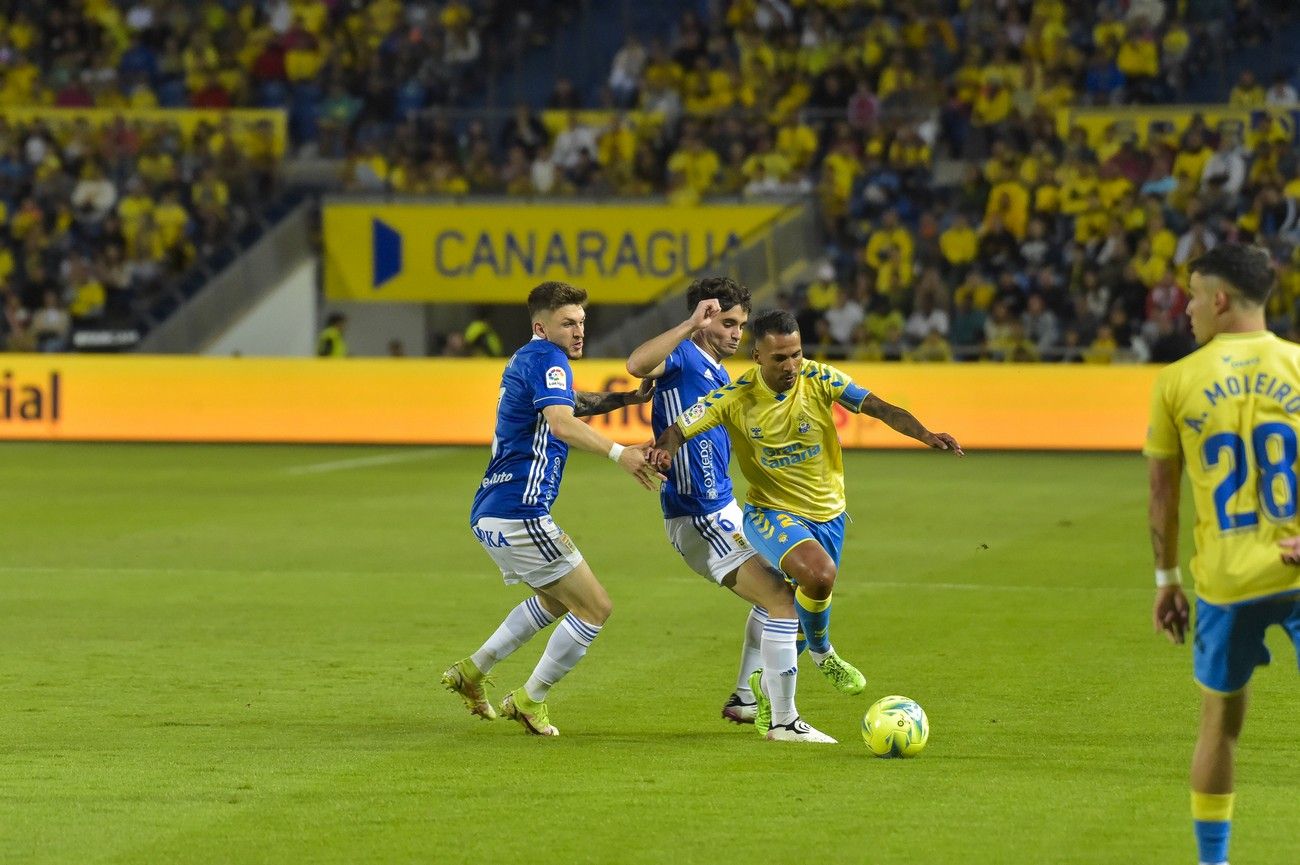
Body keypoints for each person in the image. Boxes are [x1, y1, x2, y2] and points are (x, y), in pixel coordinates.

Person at [649, 310, 962, 736]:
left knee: (801, 601)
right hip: (769, 513)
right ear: (757, 355)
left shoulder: (819, 378)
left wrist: (926, 434)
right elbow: (678, 429)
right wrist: (663, 451)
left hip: (830, 514)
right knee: (818, 574)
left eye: (796, 354)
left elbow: (879, 407)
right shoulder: (734, 397)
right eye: (779, 358)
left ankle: (762, 687)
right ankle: (821, 658)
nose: (790, 366)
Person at [443, 281, 664, 737]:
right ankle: (530, 699)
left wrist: (627, 398)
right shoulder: (548, 357)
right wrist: (622, 454)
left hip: (492, 508)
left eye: (582, 322)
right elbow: (562, 422)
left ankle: (472, 671)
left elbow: (574, 404)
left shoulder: (529, 357)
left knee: (554, 600)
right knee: (595, 608)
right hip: (521, 511)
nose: (579, 331)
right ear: (541, 326)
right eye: (569, 323)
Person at [1143, 243, 1300, 865]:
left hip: (1229, 580)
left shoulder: (1177, 381)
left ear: (1220, 299)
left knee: (1220, 725)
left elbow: (1162, 492)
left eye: (1193, 294)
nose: (1185, 309)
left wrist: (1166, 580)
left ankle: (1214, 863)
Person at [625, 277, 835, 743]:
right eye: (727, 323)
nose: (737, 333)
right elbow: (636, 363)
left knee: (785, 588)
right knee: (783, 603)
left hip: (723, 507)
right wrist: (688, 325)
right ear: (703, 320)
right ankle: (783, 722)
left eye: (740, 324)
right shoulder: (681, 357)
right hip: (698, 513)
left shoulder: (721, 376)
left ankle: (745, 698)